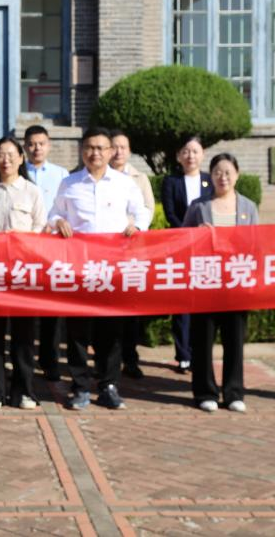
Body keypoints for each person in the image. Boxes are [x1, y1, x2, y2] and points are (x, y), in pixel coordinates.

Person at [47, 127, 151, 410]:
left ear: (110, 152)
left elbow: (142, 211)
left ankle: (108, 385)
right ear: (83, 151)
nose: (95, 153)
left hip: (111, 270)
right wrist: (58, 222)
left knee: (111, 331)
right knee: (77, 332)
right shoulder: (69, 183)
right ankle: (80, 387)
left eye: (101, 148)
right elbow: (54, 213)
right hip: (79, 269)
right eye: (90, 148)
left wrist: (137, 226)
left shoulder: (123, 183)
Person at [183, 153, 258, 413]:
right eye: (217, 172)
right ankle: (205, 392)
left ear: (237, 175)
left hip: (236, 281)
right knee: (203, 340)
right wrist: (196, 235)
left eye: (228, 172)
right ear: (210, 176)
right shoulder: (199, 206)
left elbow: (256, 243)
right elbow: (182, 239)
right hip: (206, 280)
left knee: (234, 340)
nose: (222, 177)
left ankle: (234, 392)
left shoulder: (248, 206)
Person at [0, 136, 47, 410]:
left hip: (23, 272)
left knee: (23, 335)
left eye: (10, 154)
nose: (5, 160)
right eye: (0, 155)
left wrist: (23, 237)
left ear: (21, 158)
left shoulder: (32, 192)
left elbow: (41, 228)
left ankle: (24, 391)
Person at [161, 135, 213, 373]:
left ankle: (200, 352)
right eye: (185, 151)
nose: (190, 156)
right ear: (178, 156)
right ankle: (183, 354)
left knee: (203, 302)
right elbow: (170, 212)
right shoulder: (171, 181)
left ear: (202, 154)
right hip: (180, 247)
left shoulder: (210, 180)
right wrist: (188, 232)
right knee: (182, 303)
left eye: (195, 151)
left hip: (206, 249)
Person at [24, 124, 71, 382]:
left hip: (53, 249)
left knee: (52, 307)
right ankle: (25, 358)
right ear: (25, 146)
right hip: (25, 248)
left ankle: (50, 360)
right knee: (26, 307)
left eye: (41, 143)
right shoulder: (19, 171)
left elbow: (65, 209)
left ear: (49, 145)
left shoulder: (62, 174)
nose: (37, 148)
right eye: (31, 144)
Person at [109, 129, 155, 380]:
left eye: (123, 147)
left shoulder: (140, 178)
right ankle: (107, 360)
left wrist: (136, 226)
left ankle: (130, 359)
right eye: (114, 147)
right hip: (105, 251)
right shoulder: (98, 176)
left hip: (131, 251)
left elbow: (148, 209)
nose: (118, 152)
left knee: (130, 309)